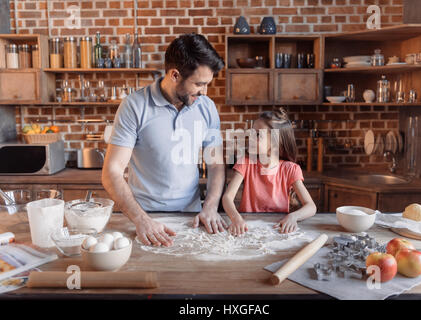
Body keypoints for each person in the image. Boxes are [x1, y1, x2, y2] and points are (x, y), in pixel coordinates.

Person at [102, 33, 227, 247]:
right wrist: (141, 220)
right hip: (144, 218)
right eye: (198, 84)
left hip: (193, 218)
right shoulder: (134, 106)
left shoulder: (207, 107)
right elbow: (111, 171)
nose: (204, 92)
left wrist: (210, 207)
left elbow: (215, 164)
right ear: (175, 75)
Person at [222, 108, 317, 236]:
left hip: (277, 230)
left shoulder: (290, 169)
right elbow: (227, 198)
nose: (250, 137)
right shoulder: (245, 163)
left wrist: (293, 217)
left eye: (257, 135)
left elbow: (311, 206)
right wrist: (236, 218)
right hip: (248, 229)